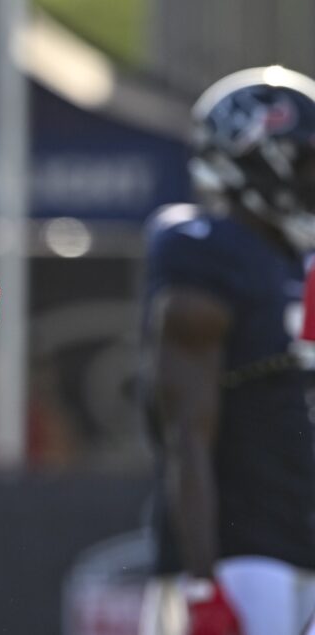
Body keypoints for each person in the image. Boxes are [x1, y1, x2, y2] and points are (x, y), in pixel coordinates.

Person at [137, 65, 315, 635]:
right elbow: (185, 429)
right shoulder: (204, 249)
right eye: (307, 163)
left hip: (298, 539)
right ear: (262, 159)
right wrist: (201, 582)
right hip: (241, 554)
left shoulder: (294, 261)